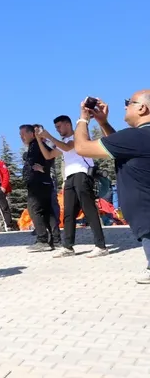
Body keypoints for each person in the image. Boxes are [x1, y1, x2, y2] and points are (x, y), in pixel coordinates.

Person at [71, 93, 150, 284]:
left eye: (128, 103)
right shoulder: (139, 138)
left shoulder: (135, 136)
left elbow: (81, 147)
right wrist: (103, 123)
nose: (125, 107)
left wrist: (83, 118)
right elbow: (121, 148)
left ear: (142, 108)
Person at [37, 117, 108, 258]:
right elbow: (49, 155)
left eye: (59, 126)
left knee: (89, 210)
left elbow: (67, 147)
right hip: (69, 178)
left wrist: (48, 136)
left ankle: (101, 246)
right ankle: (68, 247)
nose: (57, 129)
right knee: (68, 213)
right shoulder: (62, 142)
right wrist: (39, 139)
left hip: (82, 174)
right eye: (56, 127)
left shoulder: (79, 136)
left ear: (68, 124)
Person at [21, 124, 60, 252]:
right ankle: (56, 240)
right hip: (39, 182)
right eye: (20, 135)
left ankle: (42, 239)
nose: (21, 137)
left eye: (23, 134)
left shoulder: (38, 145)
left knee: (34, 209)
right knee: (48, 211)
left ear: (31, 133)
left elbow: (51, 155)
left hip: (39, 183)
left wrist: (44, 168)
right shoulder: (33, 146)